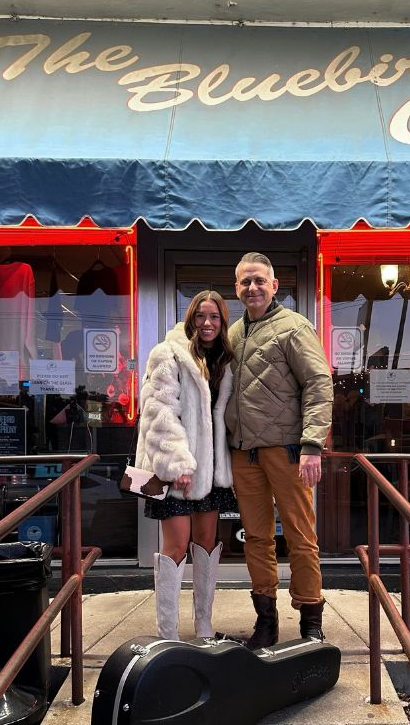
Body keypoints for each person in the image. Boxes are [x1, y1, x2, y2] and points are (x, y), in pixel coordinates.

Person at [225, 252, 334, 648]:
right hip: (245, 455)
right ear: (236, 288)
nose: (251, 288)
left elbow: (319, 384)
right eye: (244, 282)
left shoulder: (294, 327)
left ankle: (310, 621)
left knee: (301, 537)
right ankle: (266, 622)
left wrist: (312, 446)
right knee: (256, 538)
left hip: (289, 452)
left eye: (258, 280)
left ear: (274, 286)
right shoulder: (234, 334)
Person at [136, 290, 237, 640]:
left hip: (209, 472)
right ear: (190, 318)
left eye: (214, 317)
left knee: (206, 544)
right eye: (200, 316)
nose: (207, 324)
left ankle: (204, 625)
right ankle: (169, 633)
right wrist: (177, 462)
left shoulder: (226, 361)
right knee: (175, 547)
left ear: (223, 322)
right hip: (175, 470)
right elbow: (158, 411)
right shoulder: (167, 354)